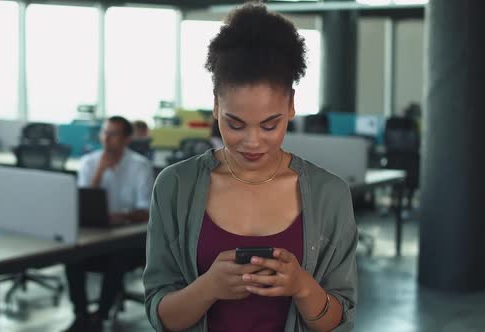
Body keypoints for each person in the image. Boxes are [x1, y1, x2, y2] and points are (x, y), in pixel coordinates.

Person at [143, 3, 357, 332]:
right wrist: (208, 287)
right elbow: (161, 316)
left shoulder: (330, 195)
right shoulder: (175, 186)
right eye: (236, 124)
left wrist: (302, 286)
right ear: (215, 105)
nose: (253, 142)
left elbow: (338, 320)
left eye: (270, 125)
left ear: (291, 105)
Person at [63, 116, 154, 332]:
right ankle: (81, 315)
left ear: (126, 139)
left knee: (118, 256)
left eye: (113, 134)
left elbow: (147, 211)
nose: (106, 139)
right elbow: (83, 203)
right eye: (104, 133)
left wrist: (121, 217)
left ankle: (100, 316)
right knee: (71, 257)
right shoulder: (88, 163)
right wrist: (99, 173)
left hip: (129, 238)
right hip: (95, 235)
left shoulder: (140, 166)